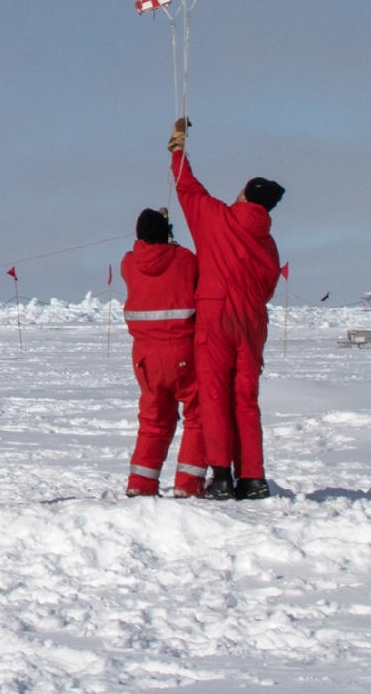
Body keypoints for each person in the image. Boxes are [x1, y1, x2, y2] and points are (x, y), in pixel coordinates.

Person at [169, 118, 282, 501]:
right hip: (251, 321)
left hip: (216, 317)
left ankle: (220, 476)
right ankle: (252, 478)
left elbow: (186, 186)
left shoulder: (217, 219)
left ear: (247, 195)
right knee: (246, 399)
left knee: (215, 395)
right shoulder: (267, 242)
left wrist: (178, 148)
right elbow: (268, 286)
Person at [121, 206, 204, 498]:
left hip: (144, 358)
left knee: (153, 420)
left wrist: (161, 234)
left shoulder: (128, 264)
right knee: (198, 416)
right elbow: (187, 263)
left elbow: (145, 257)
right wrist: (172, 240)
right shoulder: (184, 260)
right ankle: (188, 484)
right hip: (182, 352)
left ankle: (140, 484)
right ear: (166, 234)